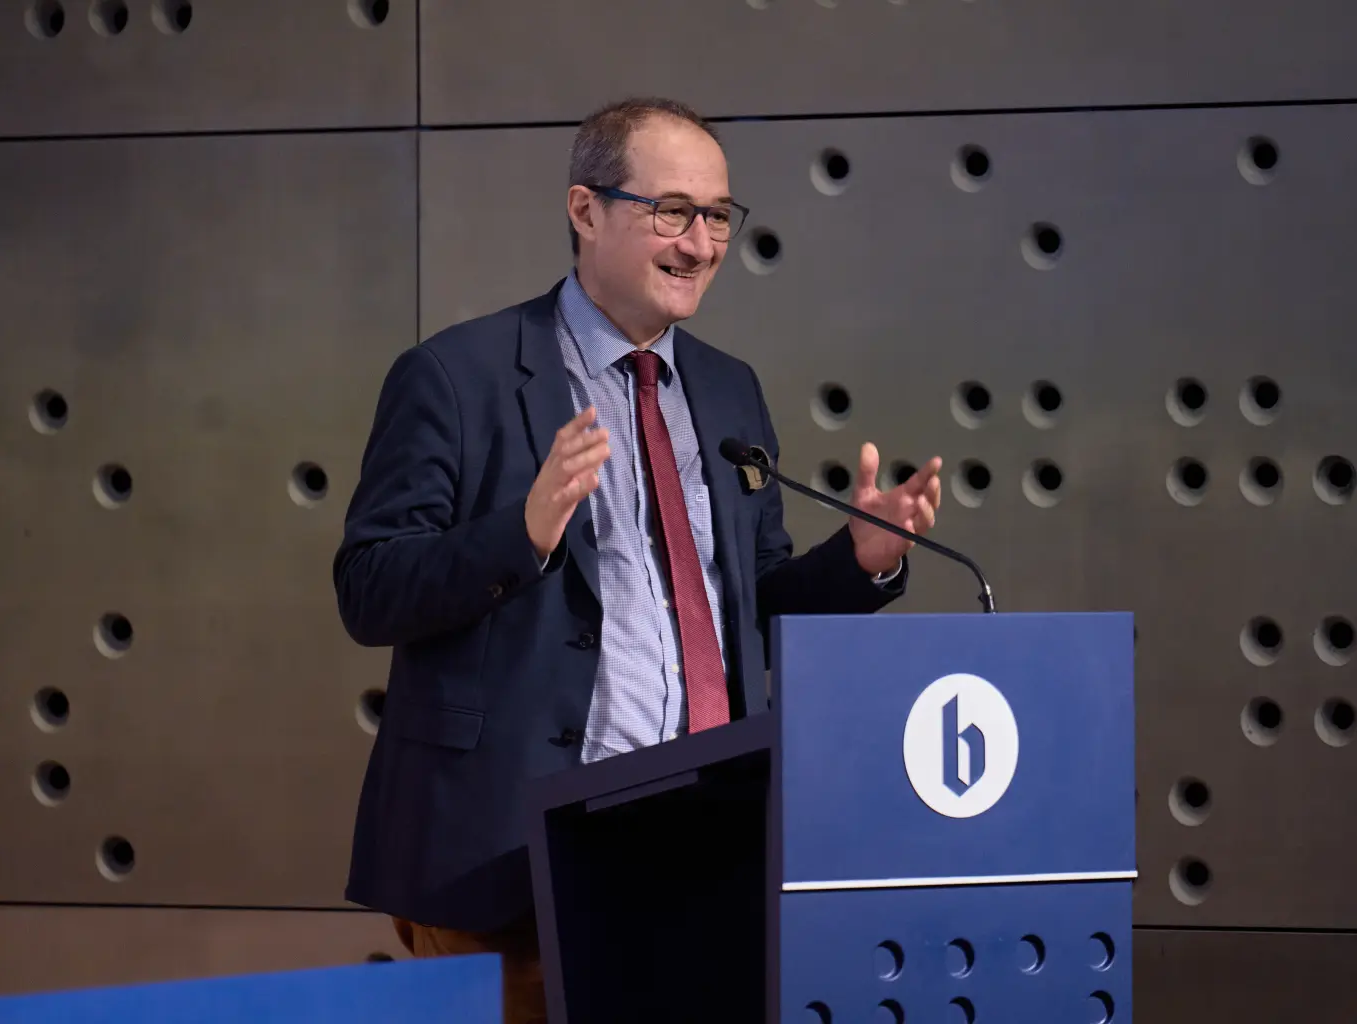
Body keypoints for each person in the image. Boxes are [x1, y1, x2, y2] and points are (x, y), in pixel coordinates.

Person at [332, 96, 943, 1023]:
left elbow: (750, 607)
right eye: (673, 211)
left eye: (717, 217)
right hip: (512, 863)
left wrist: (858, 561)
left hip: (701, 853)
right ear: (586, 210)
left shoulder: (729, 389)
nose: (700, 244)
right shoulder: (457, 377)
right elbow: (370, 589)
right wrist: (523, 533)